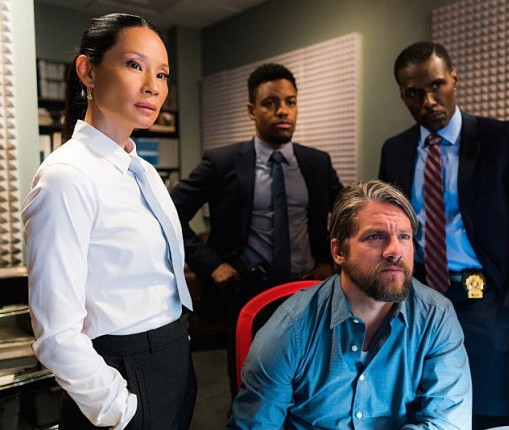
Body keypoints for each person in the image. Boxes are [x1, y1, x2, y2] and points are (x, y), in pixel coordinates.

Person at [378, 41, 509, 429]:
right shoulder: (395, 150)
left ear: (454, 79)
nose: (428, 101)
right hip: (417, 298)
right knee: (418, 410)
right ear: (402, 96)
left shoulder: (505, 140)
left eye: (437, 85)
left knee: (491, 416)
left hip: (487, 301)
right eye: (414, 93)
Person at [22, 13, 196, 429]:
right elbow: (56, 334)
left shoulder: (144, 171)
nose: (153, 86)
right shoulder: (66, 178)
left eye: (162, 74)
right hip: (123, 375)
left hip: (174, 359)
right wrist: (120, 410)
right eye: (135, 65)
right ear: (88, 71)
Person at [227, 180, 472, 429]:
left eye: (404, 236)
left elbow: (447, 422)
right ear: (338, 252)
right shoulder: (291, 328)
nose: (395, 250)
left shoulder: (436, 317)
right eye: (375, 237)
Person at [170, 63, 343, 397]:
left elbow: (347, 214)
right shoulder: (222, 162)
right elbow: (170, 212)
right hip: (248, 293)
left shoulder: (317, 163)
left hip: (308, 291)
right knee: (251, 387)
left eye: (291, 102)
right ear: (252, 110)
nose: (283, 111)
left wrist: (331, 261)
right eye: (270, 103)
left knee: (310, 386)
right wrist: (211, 263)